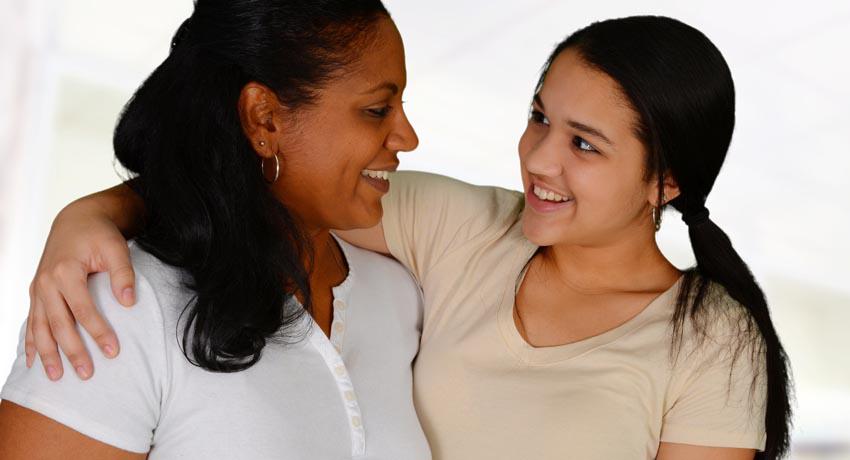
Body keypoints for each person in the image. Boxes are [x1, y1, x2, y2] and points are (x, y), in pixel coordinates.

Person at [8, 14, 793, 460]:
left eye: (585, 145)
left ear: (666, 182)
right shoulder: (464, 231)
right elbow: (260, 179)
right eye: (538, 118)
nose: (538, 160)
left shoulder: (712, 341)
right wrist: (91, 215)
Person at [0, 1, 430, 459]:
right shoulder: (120, 306)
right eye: (377, 109)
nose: (408, 136)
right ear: (264, 118)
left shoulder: (401, 293)